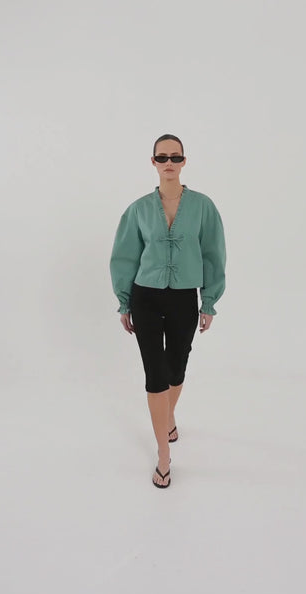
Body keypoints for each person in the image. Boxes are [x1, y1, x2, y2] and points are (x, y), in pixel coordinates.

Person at [110, 134, 226, 489]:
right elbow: (125, 256)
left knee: (177, 367)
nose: (169, 163)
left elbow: (213, 254)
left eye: (175, 157)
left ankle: (168, 415)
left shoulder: (203, 207)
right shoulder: (138, 209)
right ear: (154, 162)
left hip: (183, 299)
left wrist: (209, 301)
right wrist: (124, 301)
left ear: (184, 161)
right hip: (145, 297)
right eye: (163, 157)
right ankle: (164, 453)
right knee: (155, 374)